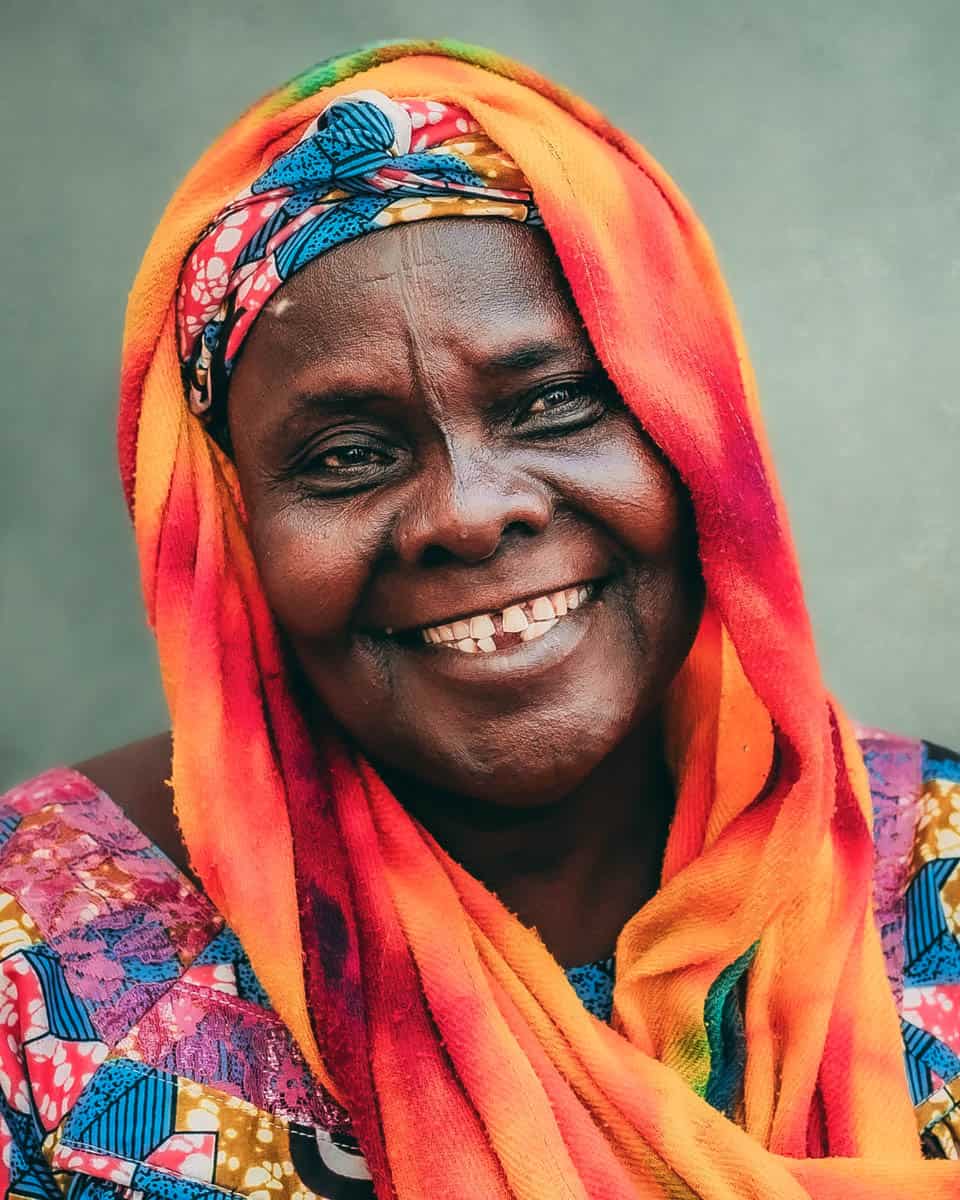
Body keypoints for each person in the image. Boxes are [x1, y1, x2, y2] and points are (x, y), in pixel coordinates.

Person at [1, 38, 957, 1200]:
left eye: (555, 402)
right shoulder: (39, 958)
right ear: (228, 531)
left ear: (701, 436)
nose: (468, 514)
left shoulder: (937, 878)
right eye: (346, 455)